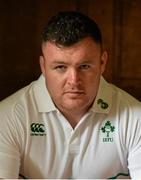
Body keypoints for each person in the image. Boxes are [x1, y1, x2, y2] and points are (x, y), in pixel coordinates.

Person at [0, 11, 141, 179]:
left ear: (102, 62)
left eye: (84, 66)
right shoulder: (8, 117)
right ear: (43, 66)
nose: (73, 81)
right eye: (60, 67)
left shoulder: (135, 117)